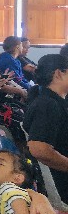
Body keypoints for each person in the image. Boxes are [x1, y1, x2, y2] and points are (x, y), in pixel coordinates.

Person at [23, 54, 68, 204]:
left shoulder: (55, 100)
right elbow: (39, 149)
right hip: (63, 184)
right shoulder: (47, 105)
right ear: (58, 74)